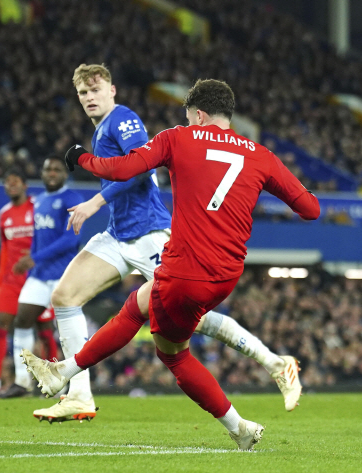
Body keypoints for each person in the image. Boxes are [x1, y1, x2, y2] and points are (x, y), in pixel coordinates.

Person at [22, 79, 320, 450]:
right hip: (226, 275)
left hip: (185, 268)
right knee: (139, 305)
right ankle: (64, 374)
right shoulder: (261, 155)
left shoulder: (179, 137)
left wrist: (80, 157)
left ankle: (241, 426)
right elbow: (311, 209)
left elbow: (123, 168)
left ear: (199, 114)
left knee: (171, 352)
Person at [0, 157, 83, 398]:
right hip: (39, 275)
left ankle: (70, 385)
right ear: (42, 174)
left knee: (65, 332)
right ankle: (22, 383)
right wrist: (33, 260)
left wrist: (36, 257)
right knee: (22, 320)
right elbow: (36, 237)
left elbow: (71, 239)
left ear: (64, 174)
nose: (52, 173)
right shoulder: (40, 201)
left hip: (63, 275)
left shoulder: (72, 199)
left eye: (56, 169)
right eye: (48, 169)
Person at [0, 167, 57, 391]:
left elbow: (49, 237)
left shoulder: (38, 206)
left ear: (25, 185)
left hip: (38, 277)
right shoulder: (4, 214)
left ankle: (54, 378)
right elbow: (5, 250)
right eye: (7, 181)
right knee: (0, 325)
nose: (11, 185)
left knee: (44, 330)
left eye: (16, 180)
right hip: (11, 280)